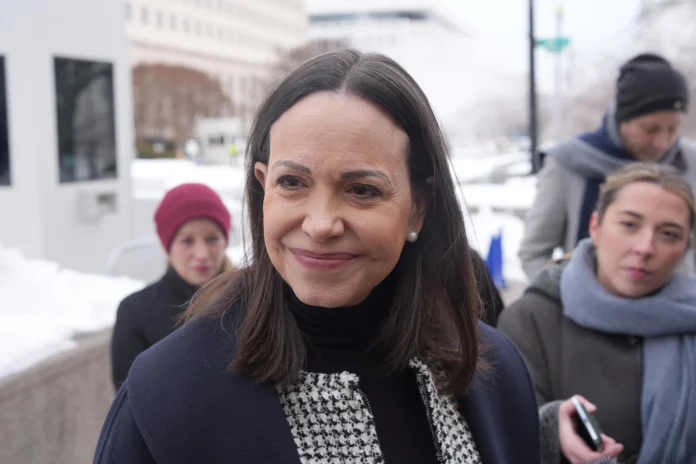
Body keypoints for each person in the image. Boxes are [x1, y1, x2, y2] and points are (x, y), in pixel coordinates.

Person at [94, 49, 540, 463]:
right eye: (292, 183)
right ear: (262, 188)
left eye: (362, 190)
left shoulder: (491, 370)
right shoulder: (166, 394)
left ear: (418, 205)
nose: (321, 224)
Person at [499, 163, 696, 463]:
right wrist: (550, 429)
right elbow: (501, 432)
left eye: (669, 234)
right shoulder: (531, 320)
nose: (645, 247)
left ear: (685, 247)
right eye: (629, 224)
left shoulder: (689, 320)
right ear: (595, 226)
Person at [519, 53, 696, 280]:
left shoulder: (690, 161)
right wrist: (560, 296)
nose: (662, 142)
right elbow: (534, 252)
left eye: (673, 129)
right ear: (623, 119)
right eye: (650, 129)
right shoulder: (569, 162)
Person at [110, 183, 232, 390]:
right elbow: (129, 398)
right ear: (168, 245)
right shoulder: (136, 312)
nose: (202, 254)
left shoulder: (250, 301)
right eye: (187, 241)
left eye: (212, 239)